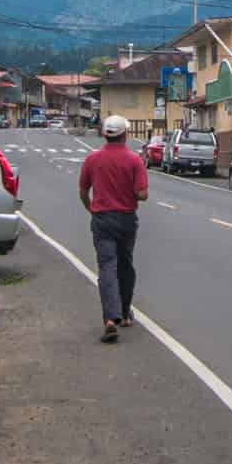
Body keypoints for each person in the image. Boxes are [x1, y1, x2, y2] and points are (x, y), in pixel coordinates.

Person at [79, 113, 147, 342]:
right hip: (127, 220)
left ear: (104, 135)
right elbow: (142, 194)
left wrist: (92, 210)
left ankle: (110, 318)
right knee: (125, 265)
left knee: (107, 267)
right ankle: (125, 314)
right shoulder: (134, 160)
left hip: (102, 219)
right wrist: (137, 193)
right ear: (125, 135)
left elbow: (82, 191)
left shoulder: (92, 159)